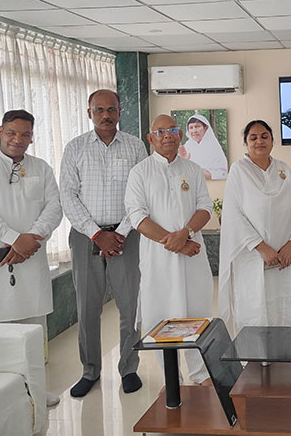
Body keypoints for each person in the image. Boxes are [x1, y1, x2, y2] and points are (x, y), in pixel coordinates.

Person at [0, 109, 63, 411]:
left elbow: (54, 208)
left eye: (25, 134)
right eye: (11, 133)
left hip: (30, 260)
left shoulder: (41, 168)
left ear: (32, 137)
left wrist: (31, 238)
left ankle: (35, 392)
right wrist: (13, 237)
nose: (18, 140)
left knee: (32, 336)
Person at [60, 89, 147, 397]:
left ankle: (129, 368)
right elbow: (68, 196)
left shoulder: (136, 147)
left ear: (120, 111)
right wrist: (97, 234)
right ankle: (90, 371)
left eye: (111, 109)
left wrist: (120, 233)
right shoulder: (75, 148)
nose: (106, 115)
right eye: (99, 110)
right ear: (89, 113)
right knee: (87, 307)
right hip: (86, 238)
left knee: (130, 306)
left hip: (128, 236)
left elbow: (141, 194)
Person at [125, 114, 214, 385]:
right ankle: (171, 380)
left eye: (172, 129)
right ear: (151, 138)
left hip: (192, 258)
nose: (167, 135)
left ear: (179, 135)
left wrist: (186, 234)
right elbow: (137, 217)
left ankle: (201, 374)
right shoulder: (140, 172)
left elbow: (205, 208)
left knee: (196, 312)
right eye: (160, 131)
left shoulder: (193, 169)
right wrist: (174, 242)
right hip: (158, 259)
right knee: (162, 316)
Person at [218, 120, 291, 333]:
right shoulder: (238, 170)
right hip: (252, 257)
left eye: (264, 136)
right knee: (254, 311)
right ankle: (255, 364)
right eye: (253, 137)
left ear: (273, 141)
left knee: (283, 310)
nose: (259, 141)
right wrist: (261, 247)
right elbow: (233, 214)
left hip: (283, 259)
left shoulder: (283, 169)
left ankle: (285, 361)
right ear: (246, 143)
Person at [178, 113, 228, 180]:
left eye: (197, 126)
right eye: (191, 127)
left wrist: (205, 175)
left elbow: (223, 173)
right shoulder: (186, 147)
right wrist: (182, 162)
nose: (194, 131)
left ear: (206, 128)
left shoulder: (214, 147)